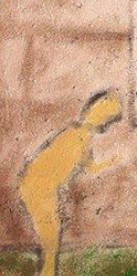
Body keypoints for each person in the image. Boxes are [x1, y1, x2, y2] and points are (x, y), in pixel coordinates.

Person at [19, 91, 122, 276]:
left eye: (105, 116)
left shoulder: (84, 139)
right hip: (38, 186)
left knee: (52, 233)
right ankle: (48, 272)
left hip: (46, 188)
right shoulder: (73, 134)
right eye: (100, 111)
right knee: (50, 232)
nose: (100, 117)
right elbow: (46, 160)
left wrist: (110, 163)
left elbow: (90, 167)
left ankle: (48, 272)